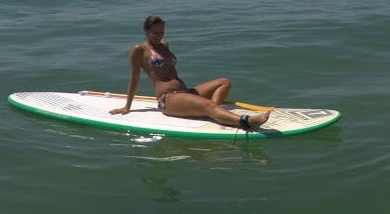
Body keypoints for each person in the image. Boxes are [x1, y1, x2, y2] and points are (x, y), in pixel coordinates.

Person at [109, 15, 271, 130]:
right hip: (168, 99)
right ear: (146, 31)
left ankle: (214, 112)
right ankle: (246, 121)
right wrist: (127, 106)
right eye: (155, 33)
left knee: (224, 82)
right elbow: (134, 79)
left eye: (162, 32)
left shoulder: (165, 45)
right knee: (207, 105)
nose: (159, 36)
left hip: (184, 92)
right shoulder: (139, 50)